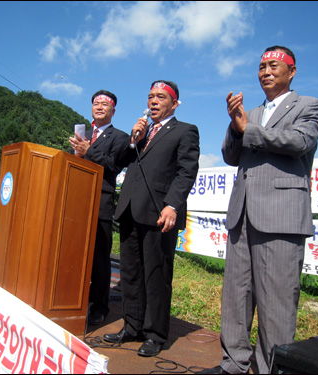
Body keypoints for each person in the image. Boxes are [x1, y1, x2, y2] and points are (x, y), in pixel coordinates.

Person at [201, 46, 318, 374]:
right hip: (242, 214)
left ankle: (272, 368)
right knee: (236, 298)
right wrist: (234, 124)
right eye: (261, 67)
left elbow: (299, 142)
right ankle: (233, 364)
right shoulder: (250, 113)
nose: (266, 72)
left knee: (277, 304)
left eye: (273, 65)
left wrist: (247, 128)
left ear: (292, 71)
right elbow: (230, 155)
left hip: (281, 215)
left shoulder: (310, 106)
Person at [103, 80, 200, 357]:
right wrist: (134, 137)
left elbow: (186, 171)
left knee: (156, 275)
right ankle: (132, 327)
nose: (153, 101)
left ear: (174, 103)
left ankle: (155, 334)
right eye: (150, 97)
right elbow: (121, 161)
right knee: (131, 273)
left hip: (159, 213)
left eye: (160, 97)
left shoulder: (185, 130)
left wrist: (172, 205)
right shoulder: (142, 133)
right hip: (131, 209)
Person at [69, 90, 129, 326]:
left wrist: (88, 151)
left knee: (99, 258)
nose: (100, 107)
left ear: (113, 110)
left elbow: (114, 167)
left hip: (100, 203)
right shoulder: (82, 133)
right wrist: (75, 154)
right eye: (96, 103)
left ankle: (99, 307)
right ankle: (73, 299)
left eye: (105, 104)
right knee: (74, 253)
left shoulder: (120, 137)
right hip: (76, 201)